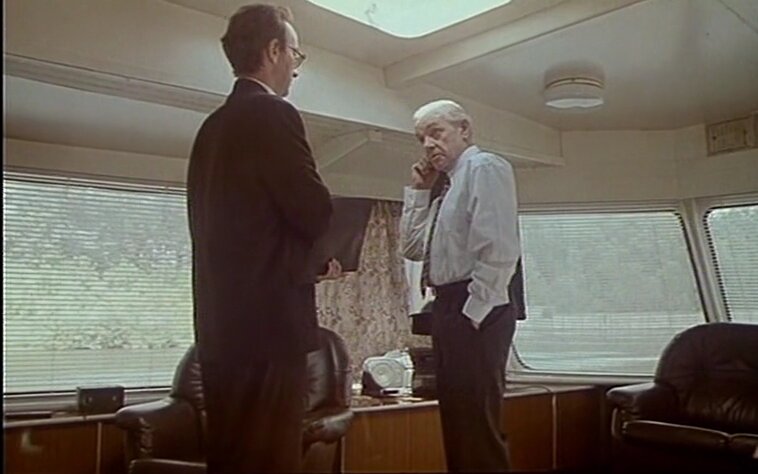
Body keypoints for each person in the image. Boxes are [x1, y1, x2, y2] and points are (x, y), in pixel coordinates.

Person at [186, 4, 333, 473]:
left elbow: (243, 230)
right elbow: (314, 211)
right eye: (294, 53)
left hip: (221, 332)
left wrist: (307, 262)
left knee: (231, 459)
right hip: (269, 333)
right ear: (273, 51)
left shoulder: (210, 129)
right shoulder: (274, 113)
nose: (295, 66)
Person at [400, 99, 522, 472]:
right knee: (457, 421)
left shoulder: (484, 168)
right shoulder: (447, 189)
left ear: (464, 130)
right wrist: (420, 192)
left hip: (474, 305)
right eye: (422, 138)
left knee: (475, 424)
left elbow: (499, 249)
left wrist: (474, 313)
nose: (428, 145)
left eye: (436, 133)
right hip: (448, 306)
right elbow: (413, 248)